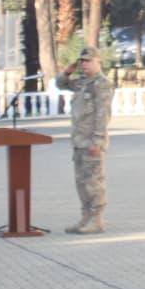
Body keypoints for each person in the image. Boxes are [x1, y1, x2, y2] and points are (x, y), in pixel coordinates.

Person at [56, 46, 114, 234]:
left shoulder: (102, 84)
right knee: (81, 182)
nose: (84, 65)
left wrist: (97, 141)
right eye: (82, 61)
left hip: (91, 142)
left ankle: (96, 220)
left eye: (88, 61)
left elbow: (102, 115)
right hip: (79, 141)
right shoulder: (81, 83)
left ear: (99, 62)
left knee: (93, 182)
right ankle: (85, 217)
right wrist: (67, 71)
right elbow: (60, 84)